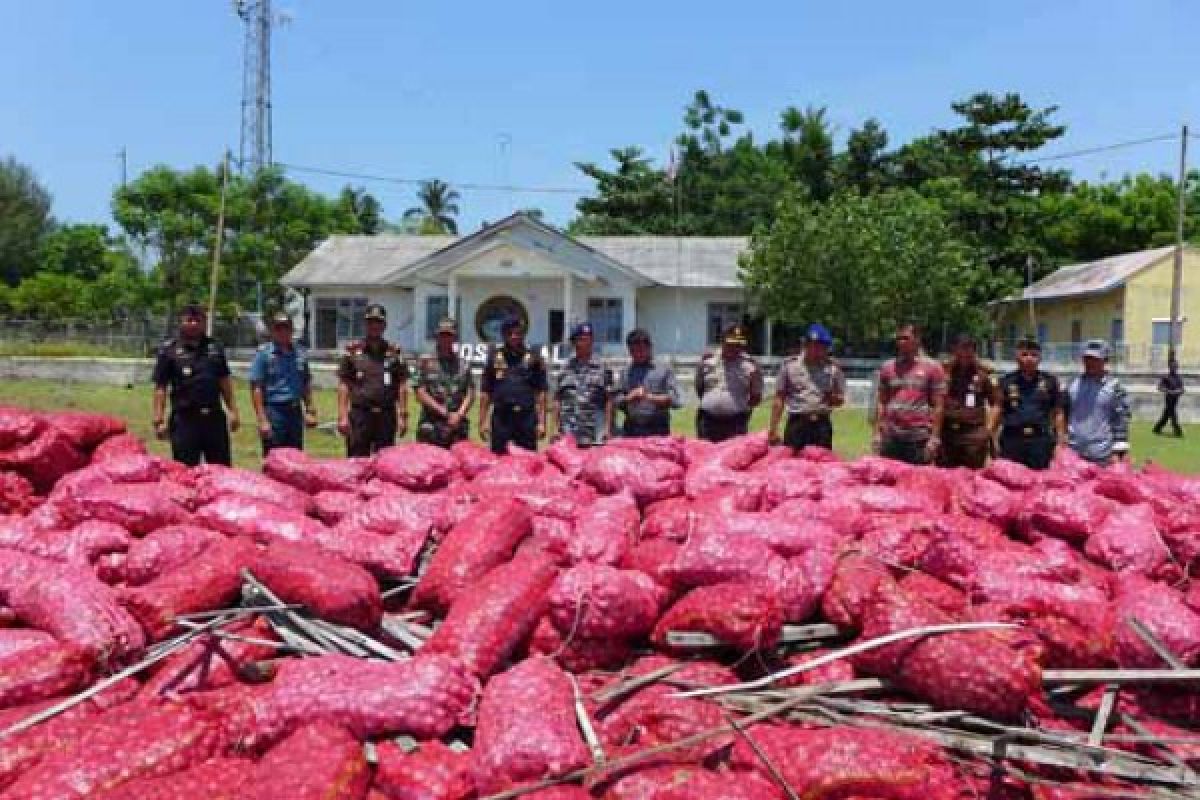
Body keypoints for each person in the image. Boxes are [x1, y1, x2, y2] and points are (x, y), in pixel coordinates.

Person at [151, 304, 240, 466]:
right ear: (181, 322)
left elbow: (224, 382)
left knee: (221, 471)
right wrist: (158, 419)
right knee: (185, 472)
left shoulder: (215, 348)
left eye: (198, 320)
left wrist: (233, 410)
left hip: (214, 420)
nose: (194, 324)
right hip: (184, 421)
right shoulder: (169, 350)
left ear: (204, 323)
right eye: (189, 320)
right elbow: (160, 387)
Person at [337, 303, 409, 457]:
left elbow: (402, 385)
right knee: (357, 462)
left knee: (385, 463)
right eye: (370, 322)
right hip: (360, 415)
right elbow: (344, 385)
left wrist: (403, 416)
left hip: (386, 416)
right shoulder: (353, 352)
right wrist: (342, 416)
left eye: (378, 322)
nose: (374, 326)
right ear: (365, 324)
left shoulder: (394, 353)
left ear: (385, 325)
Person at [873, 323, 946, 465]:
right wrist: (877, 433)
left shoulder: (933, 368)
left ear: (917, 339)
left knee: (915, 482)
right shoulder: (887, 367)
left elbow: (939, 406)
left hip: (918, 438)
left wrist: (934, 438)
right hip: (891, 436)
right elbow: (882, 402)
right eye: (899, 338)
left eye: (906, 338)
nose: (901, 342)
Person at [991, 336, 1064, 470]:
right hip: (1012, 440)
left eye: (1034, 355)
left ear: (1040, 358)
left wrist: (1060, 441)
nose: (1029, 358)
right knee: (1010, 483)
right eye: (1024, 354)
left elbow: (1058, 412)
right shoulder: (1006, 381)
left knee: (1039, 482)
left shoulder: (1050, 381)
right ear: (1017, 358)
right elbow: (997, 408)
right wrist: (990, 435)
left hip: (1040, 441)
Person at [768, 323, 845, 451]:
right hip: (797, 423)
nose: (817, 350)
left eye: (821, 346)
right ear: (805, 344)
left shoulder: (833, 368)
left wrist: (833, 399)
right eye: (813, 345)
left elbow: (840, 399)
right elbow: (779, 398)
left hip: (821, 424)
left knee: (821, 464)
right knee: (792, 464)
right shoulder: (789, 366)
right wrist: (773, 428)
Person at [249, 312, 316, 454]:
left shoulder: (300, 353)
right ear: (272, 331)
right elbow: (256, 388)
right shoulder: (264, 355)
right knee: (274, 457)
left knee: (295, 458)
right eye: (278, 328)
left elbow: (305, 383)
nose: (283, 332)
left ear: (292, 330)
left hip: (294, 411)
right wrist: (262, 420)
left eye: (286, 328)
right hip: (274, 411)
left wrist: (310, 410)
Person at [478, 317, 548, 454]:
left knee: (527, 461)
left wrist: (542, 422)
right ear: (504, 335)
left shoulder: (534, 358)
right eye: (509, 333)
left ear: (523, 334)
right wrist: (482, 421)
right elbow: (486, 392)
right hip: (502, 418)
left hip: (526, 418)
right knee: (499, 459)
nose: (514, 337)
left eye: (517, 333)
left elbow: (541, 392)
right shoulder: (494, 357)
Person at [1063, 339, 1131, 465]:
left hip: (1102, 455)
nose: (1090, 363)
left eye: (1095, 359)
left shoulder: (1115, 387)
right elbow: (1063, 414)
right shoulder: (1072, 384)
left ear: (1105, 360)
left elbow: (1121, 420)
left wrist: (1118, 452)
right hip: (1073, 454)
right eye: (1087, 358)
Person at [695, 324, 764, 442]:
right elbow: (699, 388)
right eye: (730, 344)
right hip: (708, 421)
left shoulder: (750, 366)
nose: (734, 348)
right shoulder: (707, 362)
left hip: (735, 423)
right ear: (722, 342)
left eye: (738, 345)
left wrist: (739, 407)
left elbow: (756, 397)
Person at [413, 317, 475, 447]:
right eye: (442, 335)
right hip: (431, 424)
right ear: (437, 337)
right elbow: (420, 393)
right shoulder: (425, 362)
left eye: (449, 335)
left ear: (455, 338)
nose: (446, 339)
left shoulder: (464, 364)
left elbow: (470, 393)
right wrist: (445, 413)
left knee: (458, 465)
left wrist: (459, 414)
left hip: (456, 425)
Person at [939, 334, 996, 469]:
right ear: (954, 350)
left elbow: (996, 404)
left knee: (973, 479)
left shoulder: (983, 374)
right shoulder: (943, 372)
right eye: (961, 348)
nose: (965, 352)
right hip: (948, 435)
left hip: (973, 437)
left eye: (969, 349)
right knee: (945, 479)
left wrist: (988, 431)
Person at [554, 322, 614, 447]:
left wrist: (608, 429)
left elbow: (609, 400)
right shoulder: (565, 368)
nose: (585, 343)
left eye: (588, 339)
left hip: (594, 430)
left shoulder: (603, 368)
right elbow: (557, 399)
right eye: (581, 340)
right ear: (574, 343)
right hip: (569, 430)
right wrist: (556, 428)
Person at [614, 328, 681, 437]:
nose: (637, 354)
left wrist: (648, 397)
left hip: (657, 428)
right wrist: (629, 398)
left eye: (641, 350)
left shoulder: (664, 370)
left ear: (649, 348)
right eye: (633, 351)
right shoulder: (625, 372)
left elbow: (674, 400)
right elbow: (617, 400)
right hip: (632, 428)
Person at [1154, 359, 1185, 437]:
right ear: (1170, 367)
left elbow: (1182, 389)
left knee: (1166, 415)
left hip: (1175, 399)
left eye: (1175, 366)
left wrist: (1178, 391)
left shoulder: (1179, 378)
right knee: (1173, 415)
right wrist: (1169, 391)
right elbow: (1160, 387)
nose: (1174, 368)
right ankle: (1178, 431)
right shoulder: (1166, 377)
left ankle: (1157, 429)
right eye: (1172, 366)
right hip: (1169, 399)